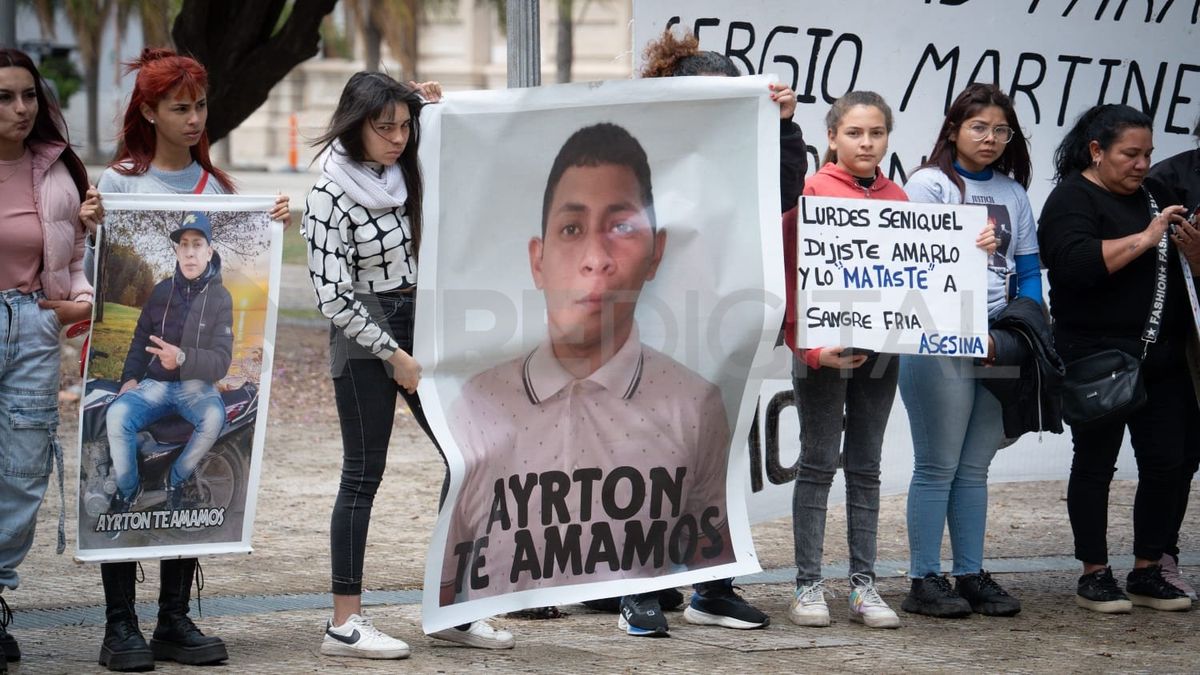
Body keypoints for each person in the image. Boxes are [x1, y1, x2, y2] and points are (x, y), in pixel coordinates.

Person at [441, 123, 735, 637]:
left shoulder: (695, 403)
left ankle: (631, 590)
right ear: (538, 259)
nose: (596, 259)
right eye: (572, 229)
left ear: (656, 253)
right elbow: (446, 583)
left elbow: (710, 546)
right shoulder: (478, 400)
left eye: (621, 227)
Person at [580, 27, 807, 635]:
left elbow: (783, 193)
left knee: (715, 456)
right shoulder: (629, 151)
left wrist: (782, 128)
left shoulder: (740, 154)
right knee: (640, 460)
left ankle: (712, 586)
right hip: (643, 327)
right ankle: (639, 589)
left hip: (719, 325)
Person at [78, 48, 289, 672]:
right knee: (117, 422)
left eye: (200, 106)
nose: (195, 119)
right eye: (180, 108)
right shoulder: (119, 183)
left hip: (196, 385)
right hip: (148, 382)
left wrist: (273, 224)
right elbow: (102, 292)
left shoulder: (219, 191)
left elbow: (225, 348)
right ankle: (121, 623)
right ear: (149, 111)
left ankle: (173, 616)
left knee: (211, 423)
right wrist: (91, 229)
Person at [301, 71, 513, 660]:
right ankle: (344, 623)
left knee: (470, 456)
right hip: (364, 329)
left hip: (422, 318)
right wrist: (393, 355)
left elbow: (472, 172)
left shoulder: (407, 172)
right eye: (384, 126)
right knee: (363, 475)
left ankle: (453, 607)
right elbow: (331, 295)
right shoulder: (328, 195)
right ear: (354, 126)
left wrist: (435, 111)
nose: (398, 137)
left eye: (404, 126)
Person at [784, 91, 989, 630]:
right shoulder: (809, 191)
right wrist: (808, 350)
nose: (866, 142)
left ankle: (862, 585)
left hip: (881, 352)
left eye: (876, 133)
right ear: (832, 137)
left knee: (867, 466)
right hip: (823, 352)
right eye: (854, 133)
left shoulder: (899, 197)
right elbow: (789, 279)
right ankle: (808, 584)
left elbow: (926, 268)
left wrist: (976, 248)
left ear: (888, 139)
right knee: (818, 460)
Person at [1038, 104, 1198, 614]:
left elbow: (1184, 272)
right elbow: (1074, 268)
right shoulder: (1070, 199)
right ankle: (1094, 572)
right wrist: (1146, 238)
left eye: (1147, 153)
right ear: (1096, 151)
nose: (1141, 163)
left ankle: (1148, 568)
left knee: (1169, 463)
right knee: (1096, 463)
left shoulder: (1159, 194)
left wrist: (1193, 252)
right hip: (1096, 357)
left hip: (1163, 355)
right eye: (1130, 153)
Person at [898, 83, 1038, 618]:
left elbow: (1028, 273)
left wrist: (1024, 329)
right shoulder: (929, 184)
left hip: (999, 341)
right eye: (979, 127)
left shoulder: (1014, 193)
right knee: (937, 464)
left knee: (974, 466)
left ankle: (970, 573)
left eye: (1001, 130)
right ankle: (923, 579)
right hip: (938, 341)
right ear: (954, 128)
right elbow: (918, 265)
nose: (991, 138)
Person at [0, 48, 94, 675]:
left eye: (28, 95)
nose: (20, 108)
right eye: (5, 97)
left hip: (33, 328)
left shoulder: (58, 170)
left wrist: (74, 305)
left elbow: (76, 257)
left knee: (24, 471)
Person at [104, 211, 232, 516]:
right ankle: (128, 489)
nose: (189, 252)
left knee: (213, 418)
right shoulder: (161, 291)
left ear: (209, 251)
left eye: (197, 244)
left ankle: (176, 481)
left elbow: (222, 360)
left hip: (197, 388)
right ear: (176, 251)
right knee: (117, 414)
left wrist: (183, 357)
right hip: (155, 385)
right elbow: (139, 339)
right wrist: (130, 378)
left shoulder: (221, 298)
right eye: (183, 244)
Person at [1145, 114, 1200, 602]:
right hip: (1182, 342)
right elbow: (1152, 265)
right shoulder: (1169, 178)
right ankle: (1162, 555)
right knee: (1179, 455)